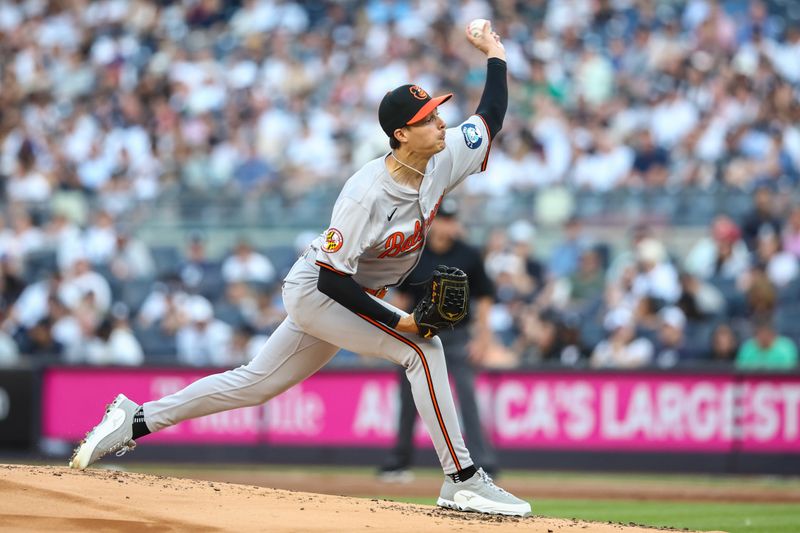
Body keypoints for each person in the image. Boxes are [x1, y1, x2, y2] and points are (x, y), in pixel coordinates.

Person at [68, 21, 531, 517]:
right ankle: (462, 480)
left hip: (348, 292)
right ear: (401, 135)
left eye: (438, 112)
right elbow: (332, 278)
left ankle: (132, 420)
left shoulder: (444, 155)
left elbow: (491, 115)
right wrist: (403, 322)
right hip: (319, 290)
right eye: (428, 118)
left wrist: (494, 52)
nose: (441, 122)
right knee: (423, 347)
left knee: (255, 383)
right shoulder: (366, 193)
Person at [379, 198, 497, 481]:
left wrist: (483, 338)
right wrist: (395, 332)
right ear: (433, 222)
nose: (448, 225)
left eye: (452, 220)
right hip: (417, 335)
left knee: (467, 397)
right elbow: (402, 297)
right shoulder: (415, 253)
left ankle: (482, 463)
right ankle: (399, 461)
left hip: (457, 336)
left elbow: (484, 298)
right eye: (443, 219)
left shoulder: (469, 254)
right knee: (408, 399)